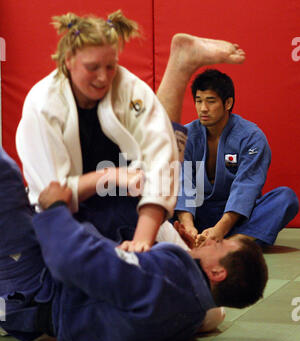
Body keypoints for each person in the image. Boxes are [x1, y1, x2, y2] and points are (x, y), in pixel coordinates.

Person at [15, 10, 247, 252]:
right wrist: (109, 176)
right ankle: (181, 64)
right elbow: (52, 196)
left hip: (129, 200)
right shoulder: (42, 105)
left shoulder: (127, 86)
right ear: (68, 61)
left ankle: (181, 64)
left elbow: (161, 159)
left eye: (110, 66)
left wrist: (143, 241)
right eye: (92, 67)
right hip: (69, 214)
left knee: (184, 268)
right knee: (100, 268)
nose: (103, 77)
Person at [0, 147, 268, 341]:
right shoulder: (193, 312)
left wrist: (56, 210)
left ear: (217, 272)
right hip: (40, 306)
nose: (211, 239)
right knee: (130, 205)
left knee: (5, 175)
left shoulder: (168, 280)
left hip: (32, 292)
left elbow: (74, 262)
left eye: (219, 244)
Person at [175, 69, 299, 246]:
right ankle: (196, 239)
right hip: (197, 213)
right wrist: (188, 227)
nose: (203, 108)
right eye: (198, 101)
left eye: (210, 101)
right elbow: (182, 183)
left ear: (228, 103)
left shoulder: (251, 137)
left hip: (236, 218)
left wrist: (220, 230)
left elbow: (247, 186)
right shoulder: (185, 136)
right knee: (149, 198)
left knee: (286, 199)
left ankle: (230, 243)